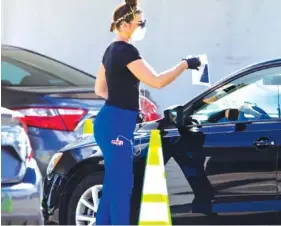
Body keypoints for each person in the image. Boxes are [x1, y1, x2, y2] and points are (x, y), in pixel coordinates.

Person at [94, 0, 202, 224]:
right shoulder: (126, 50)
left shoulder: (110, 50)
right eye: (139, 23)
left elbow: (100, 89)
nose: (142, 27)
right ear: (124, 24)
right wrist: (184, 64)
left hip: (109, 121)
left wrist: (128, 98)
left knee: (114, 184)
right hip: (116, 125)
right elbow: (158, 81)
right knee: (122, 186)